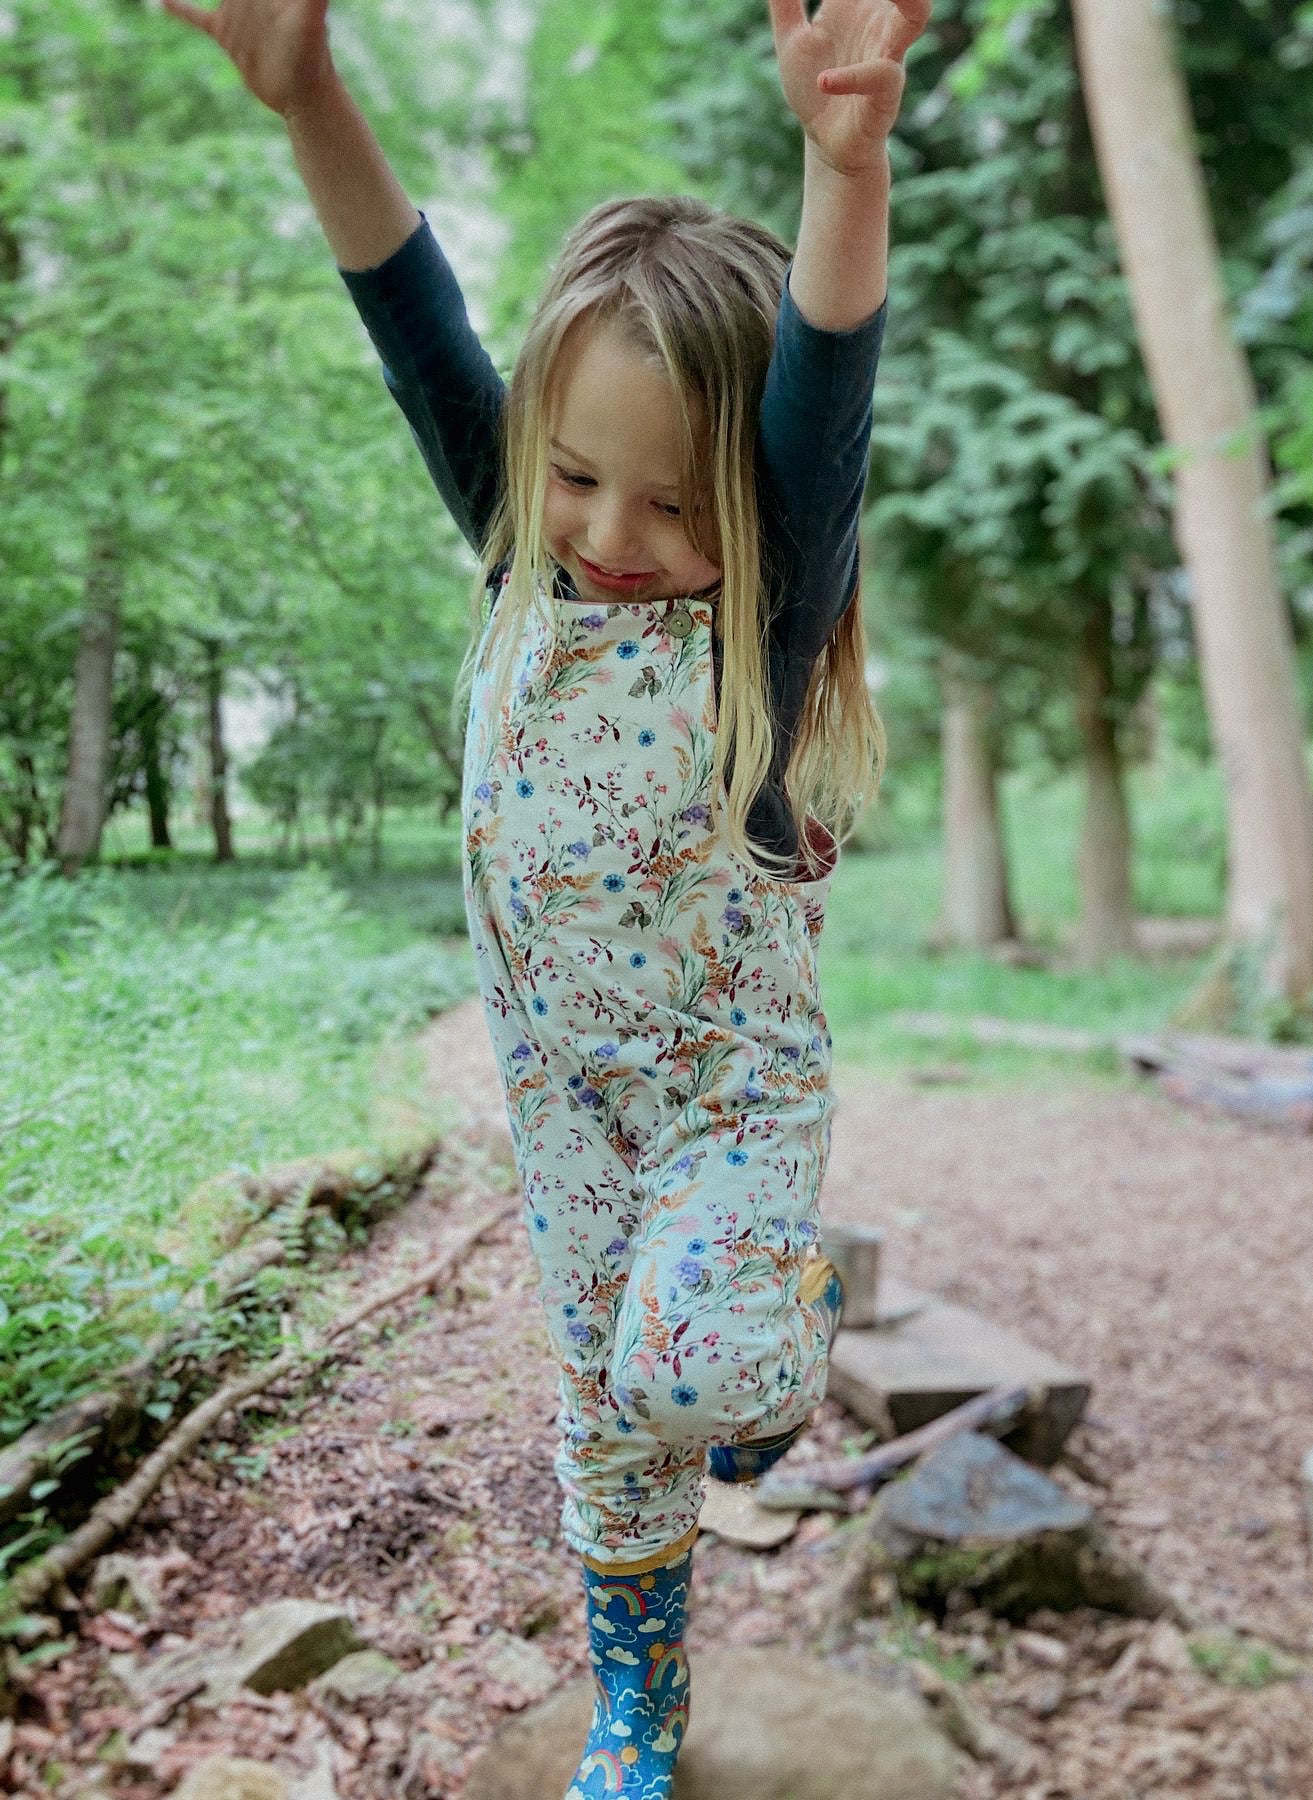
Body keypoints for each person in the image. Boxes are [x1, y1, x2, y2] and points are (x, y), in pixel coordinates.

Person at [164, 0, 927, 1791]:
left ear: (756, 514)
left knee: (697, 1372)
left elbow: (826, 370)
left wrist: (847, 168)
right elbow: (410, 310)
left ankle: (765, 1337)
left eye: (672, 500)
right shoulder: (524, 564)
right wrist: (312, 94)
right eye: (577, 473)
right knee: (604, 1425)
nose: (606, 529)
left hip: (728, 1107)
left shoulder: (764, 620)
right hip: (565, 1111)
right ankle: (639, 1715)